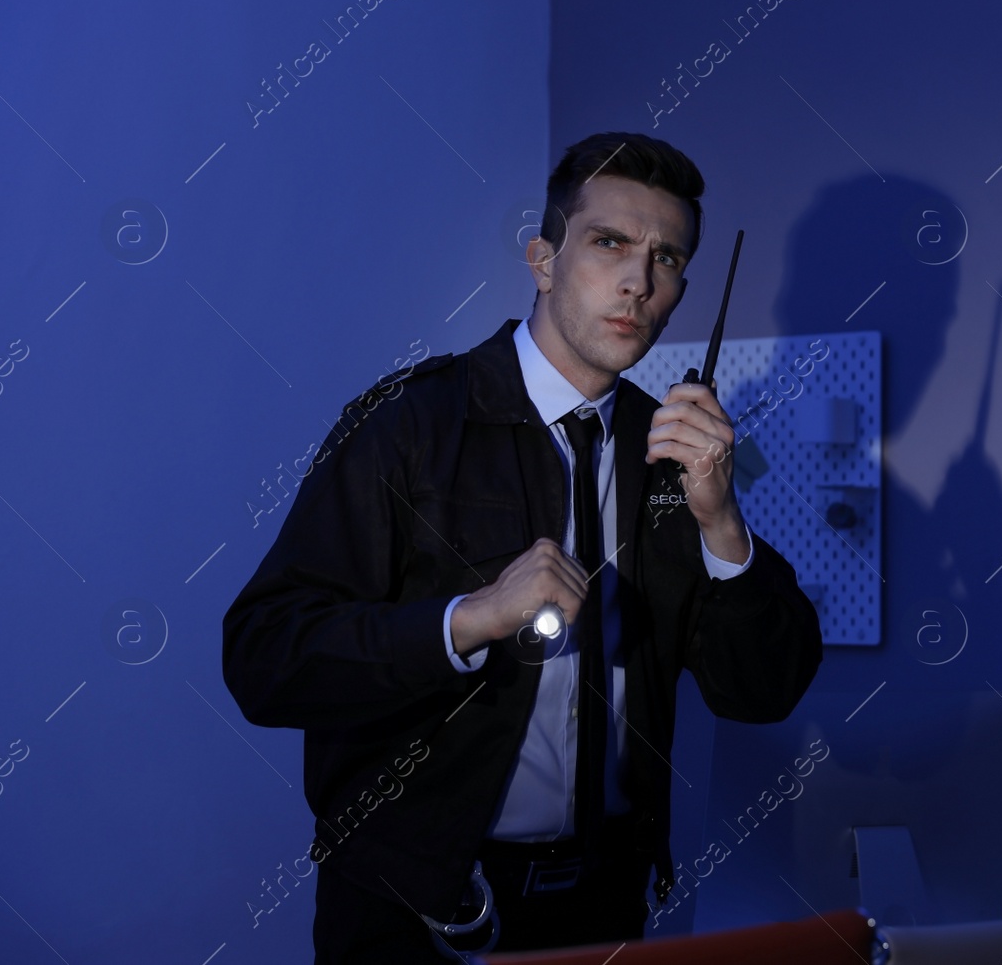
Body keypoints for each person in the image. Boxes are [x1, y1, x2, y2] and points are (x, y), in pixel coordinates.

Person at [221, 132, 823, 962]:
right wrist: (467, 619)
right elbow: (264, 656)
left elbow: (763, 690)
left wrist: (722, 523)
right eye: (610, 242)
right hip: (418, 913)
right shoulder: (409, 424)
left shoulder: (677, 455)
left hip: (604, 910)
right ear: (543, 258)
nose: (638, 282)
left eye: (668, 258)